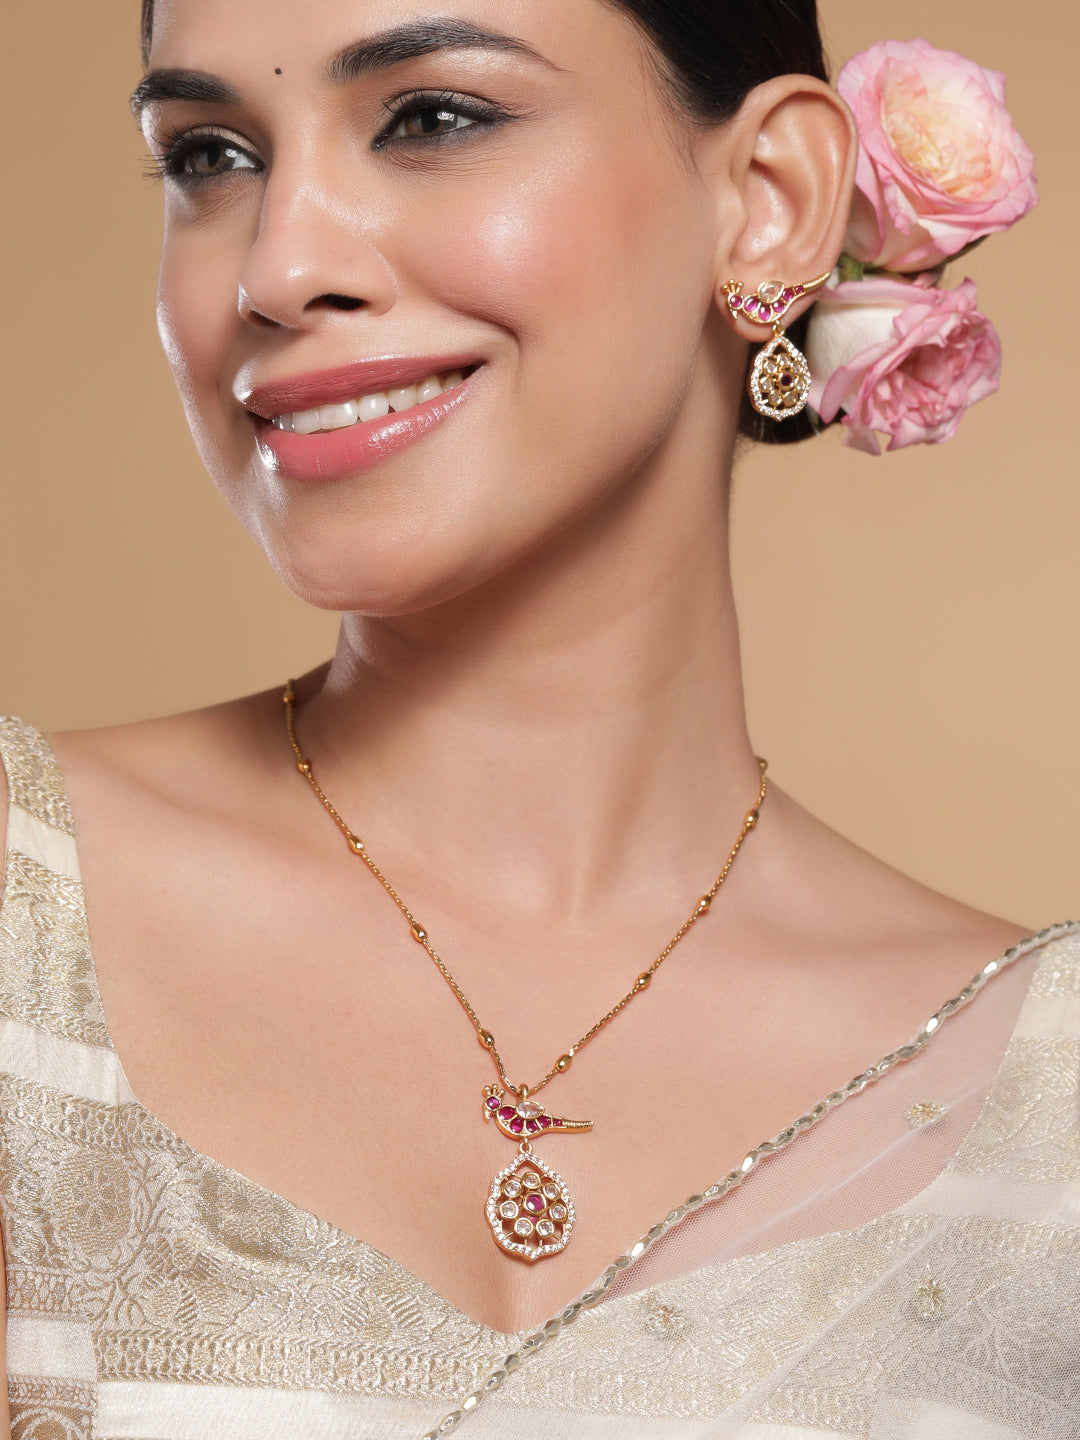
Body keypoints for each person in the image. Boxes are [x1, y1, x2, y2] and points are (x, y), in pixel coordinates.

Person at [0, 1, 1075, 1436]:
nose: (278, 266)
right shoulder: (20, 918)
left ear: (770, 203)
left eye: (432, 118)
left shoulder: (1053, 1118)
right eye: (209, 154)